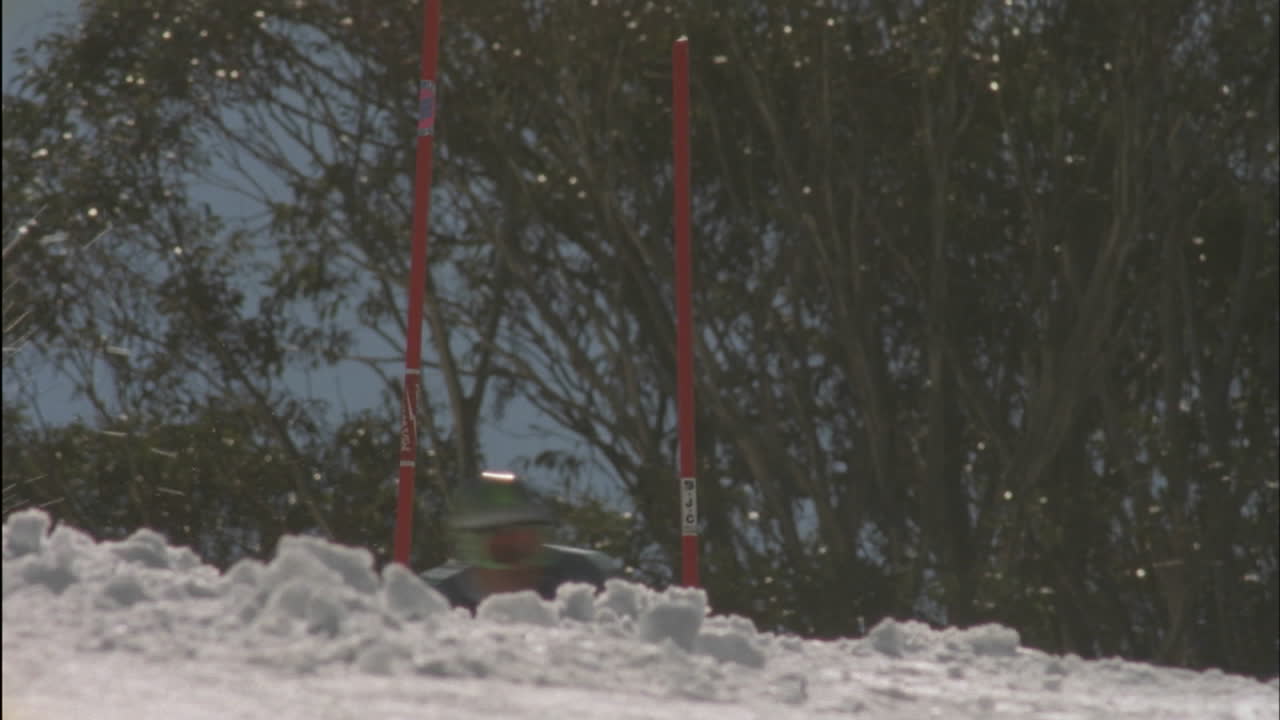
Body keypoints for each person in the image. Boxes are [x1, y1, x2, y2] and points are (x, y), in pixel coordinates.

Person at [421, 470, 620, 611]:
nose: (520, 566)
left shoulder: (580, 582)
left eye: (529, 545)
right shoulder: (433, 599)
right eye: (504, 550)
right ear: (471, 549)